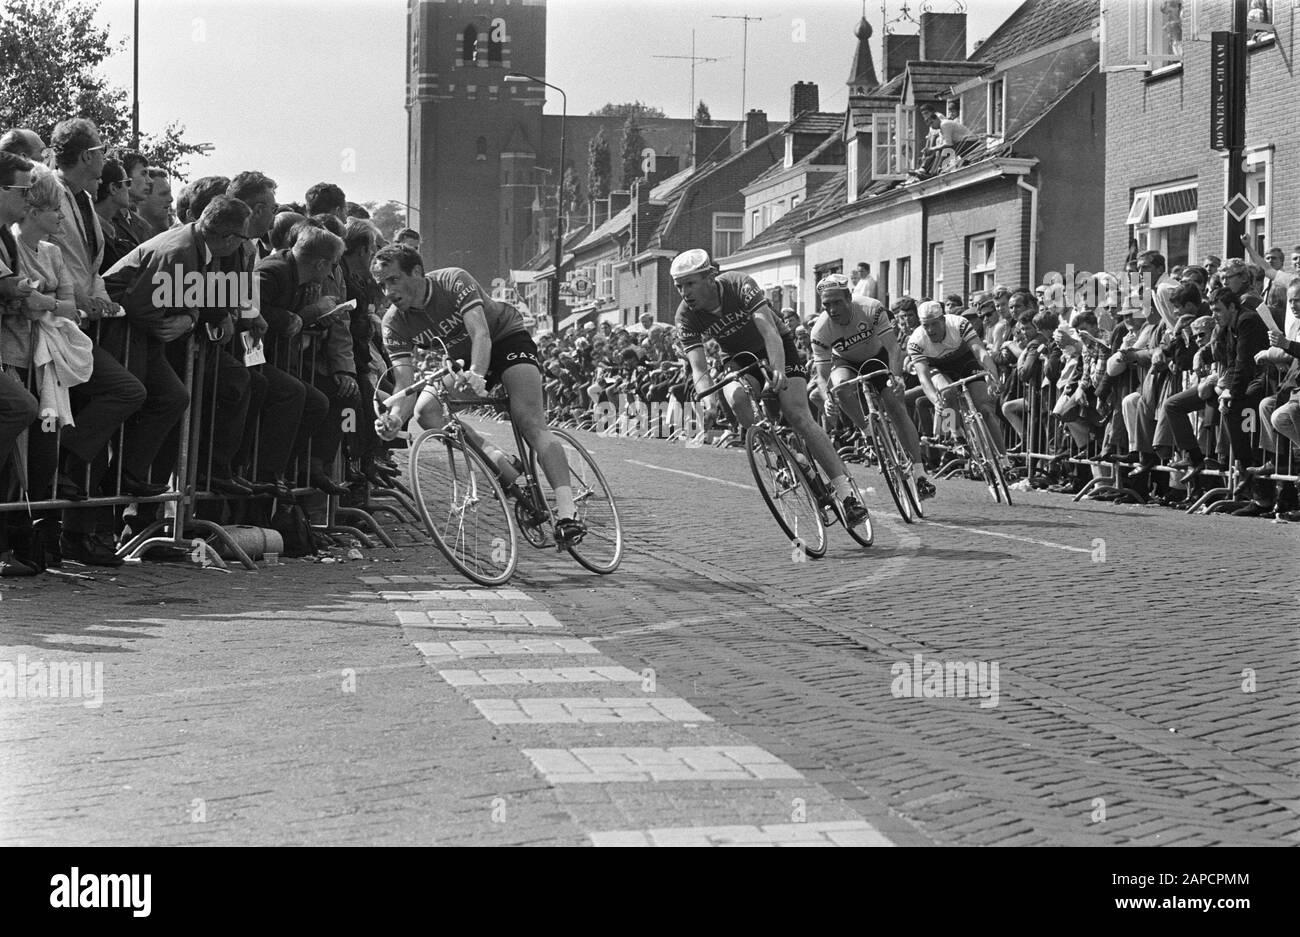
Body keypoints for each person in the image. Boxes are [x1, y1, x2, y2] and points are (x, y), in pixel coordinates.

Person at [371, 244, 587, 544]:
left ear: (417, 272)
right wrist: (394, 417)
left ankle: (567, 514)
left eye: (392, 280)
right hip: (461, 362)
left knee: (529, 422)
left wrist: (476, 372)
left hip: (504, 339)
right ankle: (503, 464)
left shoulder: (452, 280)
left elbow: (480, 333)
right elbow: (403, 383)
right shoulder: (393, 322)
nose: (387, 292)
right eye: (381, 284)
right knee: (425, 412)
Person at [670, 248, 870, 528]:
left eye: (690, 284)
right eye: (679, 286)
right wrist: (709, 402)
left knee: (798, 415)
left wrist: (776, 368)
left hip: (776, 344)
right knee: (738, 396)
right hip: (738, 356)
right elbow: (699, 367)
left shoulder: (739, 284)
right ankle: (779, 457)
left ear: (710, 277)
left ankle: (848, 495)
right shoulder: (685, 315)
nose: (684, 292)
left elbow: (768, 330)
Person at [810, 274, 935, 500]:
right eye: (826, 305)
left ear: (849, 297)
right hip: (845, 362)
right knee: (839, 386)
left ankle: (919, 473)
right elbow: (821, 376)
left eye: (837, 302)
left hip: (877, 357)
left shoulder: (871, 308)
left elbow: (894, 349)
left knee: (895, 406)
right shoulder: (820, 330)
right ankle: (866, 430)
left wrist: (896, 378)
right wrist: (827, 397)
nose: (832, 309)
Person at [907, 299, 1007, 464]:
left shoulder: (959, 324)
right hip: (937, 368)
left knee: (984, 409)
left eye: (934, 324)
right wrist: (935, 400)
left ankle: (1004, 459)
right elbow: (924, 378)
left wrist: (992, 377)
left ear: (943, 320)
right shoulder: (916, 341)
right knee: (946, 391)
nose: (930, 330)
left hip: (965, 362)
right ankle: (955, 434)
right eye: (926, 325)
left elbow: (980, 353)